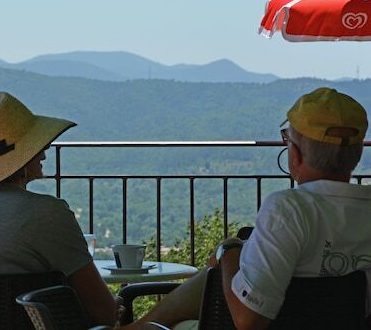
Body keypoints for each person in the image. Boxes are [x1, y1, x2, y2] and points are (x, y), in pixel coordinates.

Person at [120, 87, 371, 330]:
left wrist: (229, 252)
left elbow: (248, 320)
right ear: (358, 153)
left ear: (294, 153)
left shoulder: (289, 210)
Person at [0, 91, 119, 326]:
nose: (44, 154)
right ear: (23, 158)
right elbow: (105, 313)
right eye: (38, 145)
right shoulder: (47, 213)